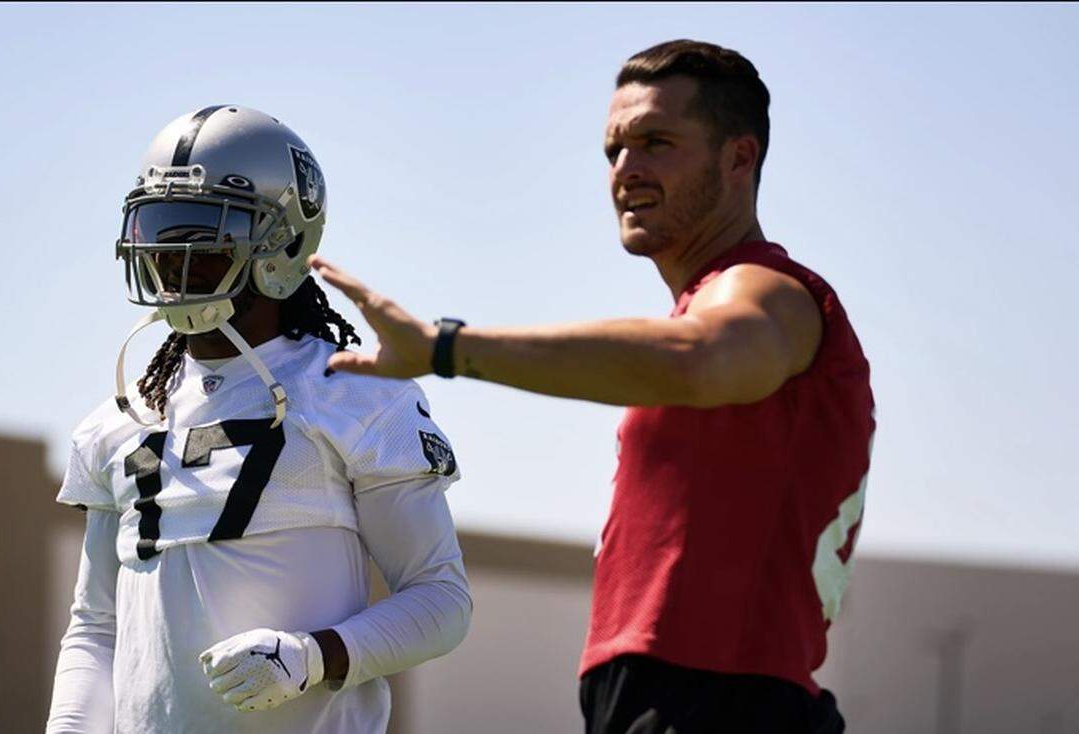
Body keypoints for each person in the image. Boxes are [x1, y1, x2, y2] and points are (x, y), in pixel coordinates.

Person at [310, 40, 875, 733]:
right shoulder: (709, 300)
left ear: (739, 157)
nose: (625, 170)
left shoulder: (772, 293)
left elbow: (700, 358)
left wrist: (446, 348)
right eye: (614, 150)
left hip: (721, 704)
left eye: (656, 142)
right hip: (670, 700)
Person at [46, 106, 471, 733]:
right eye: (161, 232)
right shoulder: (120, 418)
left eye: (203, 236)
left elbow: (441, 601)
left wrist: (312, 657)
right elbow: (95, 627)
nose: (173, 259)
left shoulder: (355, 394)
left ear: (284, 244)